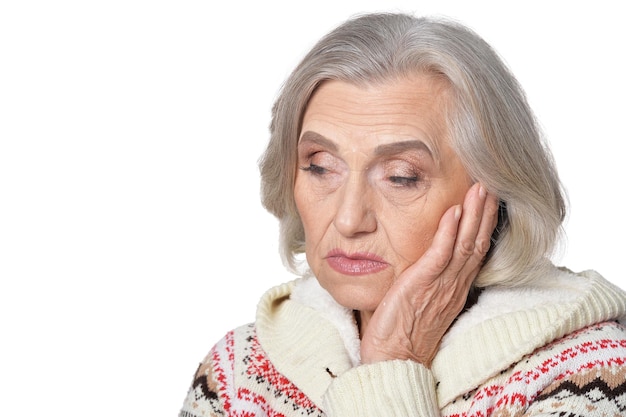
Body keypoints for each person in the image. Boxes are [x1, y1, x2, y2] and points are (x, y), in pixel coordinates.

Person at [179, 12, 626, 417]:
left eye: (401, 176)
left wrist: (394, 362)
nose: (350, 219)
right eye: (320, 167)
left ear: (491, 192)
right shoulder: (237, 373)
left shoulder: (594, 374)